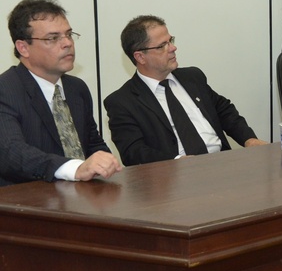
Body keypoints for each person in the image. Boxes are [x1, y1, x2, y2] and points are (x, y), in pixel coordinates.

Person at [104, 15, 267, 166]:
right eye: (162, 46)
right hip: (172, 178)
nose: (173, 48)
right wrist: (176, 163)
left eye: (170, 40)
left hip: (221, 165)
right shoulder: (122, 102)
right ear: (140, 57)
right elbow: (133, 152)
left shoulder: (192, 78)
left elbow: (224, 110)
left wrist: (249, 139)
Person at [0, 0, 122, 186]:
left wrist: (105, 162)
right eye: (53, 38)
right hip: (27, 199)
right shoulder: (6, 89)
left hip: (84, 196)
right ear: (23, 48)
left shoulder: (76, 88)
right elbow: (12, 153)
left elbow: (92, 144)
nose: (67, 43)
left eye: (69, 34)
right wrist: (75, 169)